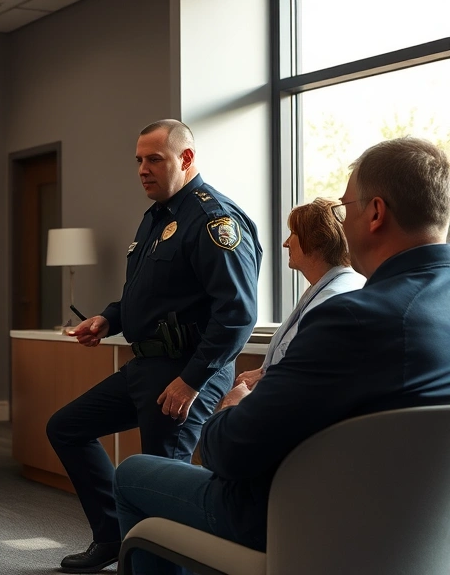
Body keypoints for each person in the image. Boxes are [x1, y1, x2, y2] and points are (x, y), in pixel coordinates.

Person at [114, 137, 450, 575]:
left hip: (301, 517)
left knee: (132, 473)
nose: (343, 226)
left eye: (346, 208)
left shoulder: (352, 318)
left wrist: (230, 408)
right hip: (422, 528)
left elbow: (229, 454)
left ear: (375, 213)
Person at [47, 119, 263, 573]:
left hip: (187, 372)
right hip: (145, 366)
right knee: (66, 427)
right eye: (139, 161)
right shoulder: (158, 217)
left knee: (164, 484)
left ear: (185, 159)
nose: (143, 169)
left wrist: (191, 382)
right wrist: (109, 318)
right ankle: (113, 539)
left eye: (155, 159)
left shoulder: (213, 220)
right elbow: (146, 295)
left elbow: (237, 314)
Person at [234, 198, 364, 390]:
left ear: (315, 241)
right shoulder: (326, 286)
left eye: (293, 233)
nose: (286, 243)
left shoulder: (332, 300)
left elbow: (303, 376)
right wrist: (263, 373)